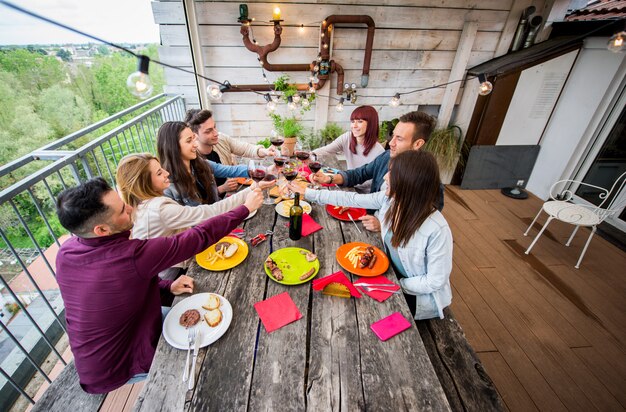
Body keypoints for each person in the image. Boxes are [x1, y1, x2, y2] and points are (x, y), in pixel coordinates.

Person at [55, 177, 263, 394]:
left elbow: (118, 288)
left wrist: (166, 286)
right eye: (121, 211)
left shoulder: (66, 252)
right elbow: (198, 237)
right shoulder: (131, 256)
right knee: (218, 356)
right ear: (101, 230)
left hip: (96, 359)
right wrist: (245, 208)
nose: (129, 207)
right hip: (120, 363)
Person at [290, 151, 452, 320]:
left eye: (392, 173)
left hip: (417, 296)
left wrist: (396, 282)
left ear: (409, 183)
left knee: (357, 312)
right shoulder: (392, 200)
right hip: (385, 271)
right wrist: (309, 193)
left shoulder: (437, 229)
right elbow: (352, 199)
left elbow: (435, 281)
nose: (385, 178)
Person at [116, 153, 272, 281]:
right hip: (172, 275)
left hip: (171, 269)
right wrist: (246, 205)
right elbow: (208, 213)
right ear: (144, 183)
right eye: (159, 173)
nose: (166, 173)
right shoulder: (158, 208)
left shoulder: (141, 204)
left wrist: (252, 188)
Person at [311, 111, 443, 232]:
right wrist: (329, 179)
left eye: (400, 139)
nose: (391, 143)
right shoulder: (386, 157)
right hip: (367, 216)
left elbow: (423, 224)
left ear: (418, 144)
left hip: (391, 239)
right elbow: (359, 174)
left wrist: (383, 225)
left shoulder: (429, 181)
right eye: (393, 136)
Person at [157, 121, 251, 206]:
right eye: (189, 141)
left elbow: (229, 170)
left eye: (193, 139)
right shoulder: (168, 187)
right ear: (173, 147)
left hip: (219, 216)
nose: (195, 144)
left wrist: (259, 171)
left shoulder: (199, 163)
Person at [185, 109, 275, 194]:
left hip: (232, 193)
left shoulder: (221, 139)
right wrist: (221, 189)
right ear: (194, 135)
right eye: (208, 131)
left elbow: (245, 149)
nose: (216, 133)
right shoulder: (192, 159)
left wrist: (264, 151)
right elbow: (198, 197)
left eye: (214, 127)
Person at [311, 105, 385, 193]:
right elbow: (326, 150)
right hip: (348, 184)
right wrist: (310, 155)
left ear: (371, 124)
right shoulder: (348, 137)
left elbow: (372, 182)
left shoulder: (379, 152)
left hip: (364, 194)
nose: (354, 125)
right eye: (353, 121)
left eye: (360, 121)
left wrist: (340, 178)